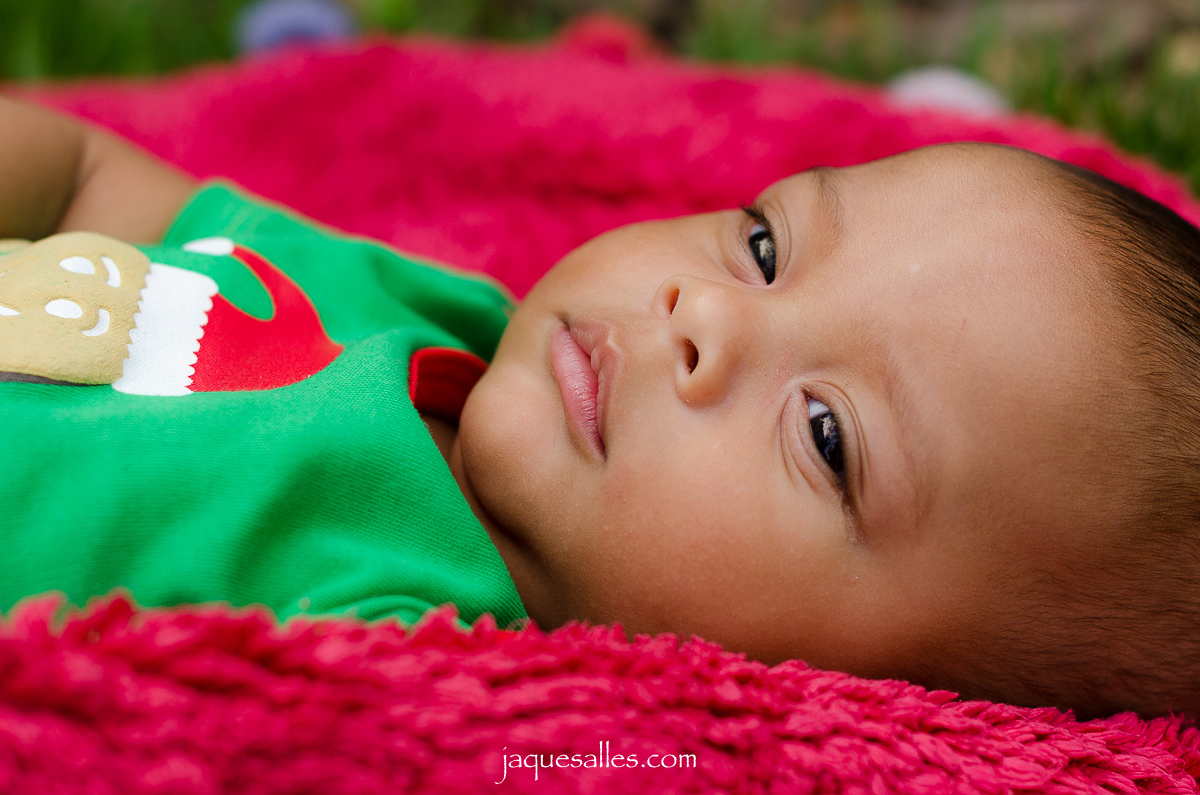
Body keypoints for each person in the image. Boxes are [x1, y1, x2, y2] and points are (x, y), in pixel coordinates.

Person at [2, 97, 1198, 720]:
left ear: (897, 696)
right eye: (766, 246)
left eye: (827, 436)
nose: (703, 312)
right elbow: (88, 179)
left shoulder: (410, 666)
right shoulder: (423, 316)